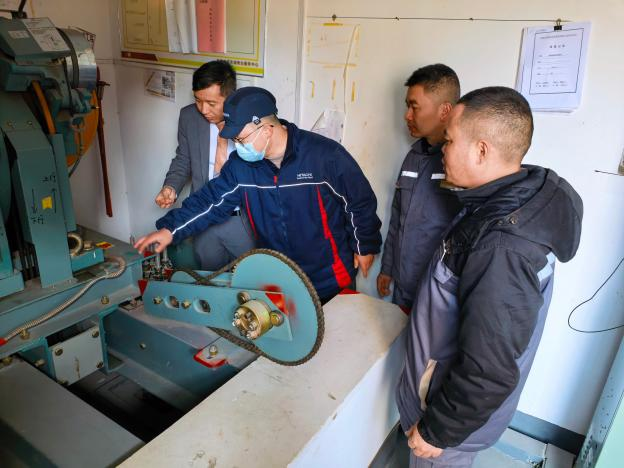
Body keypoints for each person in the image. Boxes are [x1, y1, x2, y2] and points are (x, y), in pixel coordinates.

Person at [396, 87, 583, 467]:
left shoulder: (501, 246)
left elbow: (489, 368)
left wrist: (437, 430)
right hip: (445, 400)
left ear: (481, 151)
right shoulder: (512, 200)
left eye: (450, 140)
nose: (443, 149)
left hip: (446, 421)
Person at [137, 86, 382, 304]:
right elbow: (209, 202)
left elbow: (358, 202)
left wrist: (364, 245)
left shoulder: (324, 156)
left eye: (241, 138)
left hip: (331, 278)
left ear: (266, 130)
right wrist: (170, 230)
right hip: (280, 278)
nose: (238, 145)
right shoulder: (241, 168)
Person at [377, 64, 463, 312]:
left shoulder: (459, 164)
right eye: (407, 106)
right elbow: (397, 218)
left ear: (444, 111)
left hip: (438, 295)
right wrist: (387, 268)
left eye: (414, 107)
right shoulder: (413, 157)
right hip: (403, 285)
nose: (407, 115)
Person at [154, 60, 254, 270]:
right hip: (203, 217)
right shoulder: (189, 117)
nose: (203, 109)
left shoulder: (251, 121)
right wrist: (170, 186)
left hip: (242, 218)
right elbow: (183, 159)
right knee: (209, 275)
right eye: (198, 100)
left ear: (230, 97)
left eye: (211, 103)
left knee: (251, 276)